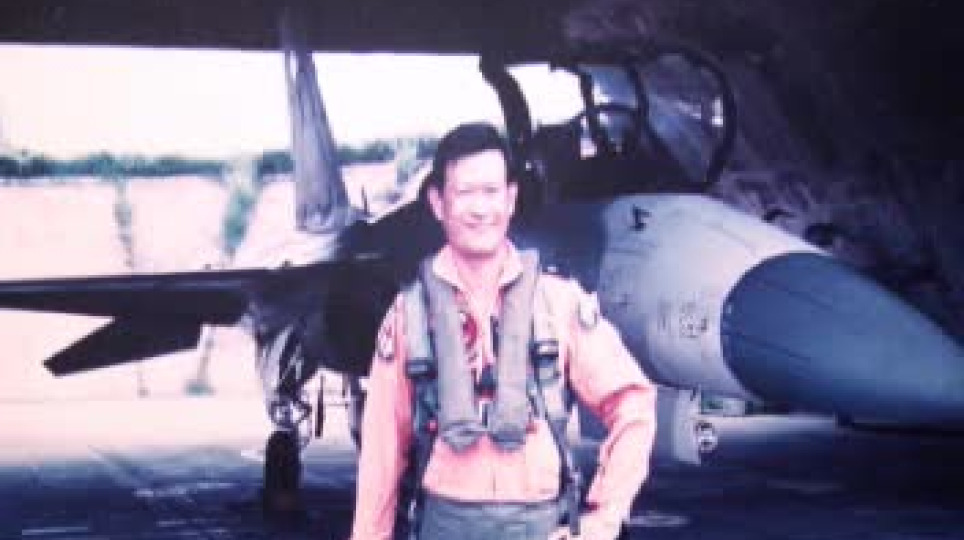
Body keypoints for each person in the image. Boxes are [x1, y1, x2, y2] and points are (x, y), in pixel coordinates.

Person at [348, 122, 656, 540]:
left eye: (491, 192)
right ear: (438, 203)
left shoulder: (557, 303)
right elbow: (382, 448)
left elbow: (633, 403)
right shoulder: (410, 315)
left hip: (541, 525)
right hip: (445, 525)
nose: (481, 209)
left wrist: (604, 518)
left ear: (511, 199)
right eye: (465, 193)